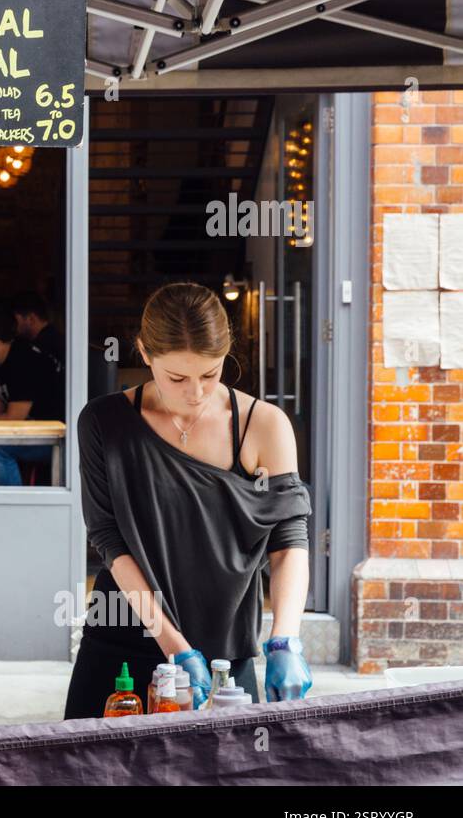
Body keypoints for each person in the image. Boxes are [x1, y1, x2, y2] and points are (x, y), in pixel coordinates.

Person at [63, 283, 313, 719]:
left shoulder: (264, 426)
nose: (195, 392)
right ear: (144, 353)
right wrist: (175, 648)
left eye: (210, 374)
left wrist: (284, 639)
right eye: (176, 377)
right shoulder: (104, 423)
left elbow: (289, 538)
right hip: (124, 636)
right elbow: (108, 539)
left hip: (223, 653)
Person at [0, 307, 64, 486]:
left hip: (55, 437)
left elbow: (14, 418)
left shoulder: (23, 359)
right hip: (28, 432)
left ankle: (10, 510)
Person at [12, 291, 65, 368]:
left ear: (31, 319)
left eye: (16, 320)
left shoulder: (39, 349)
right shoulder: (58, 338)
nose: (14, 325)